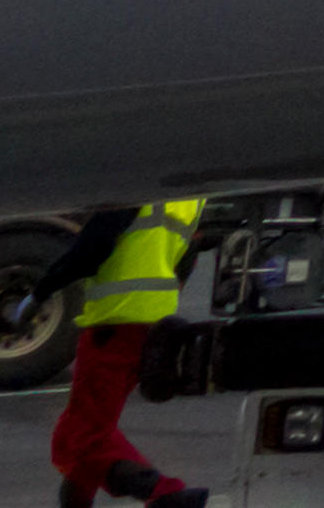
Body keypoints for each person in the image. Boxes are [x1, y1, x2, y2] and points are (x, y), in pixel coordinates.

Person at [32, 198, 211, 508]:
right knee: (90, 430)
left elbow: (92, 251)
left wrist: (42, 289)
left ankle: (165, 495)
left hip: (115, 322)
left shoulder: (135, 185)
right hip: (155, 323)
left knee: (78, 438)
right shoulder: (191, 198)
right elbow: (188, 256)